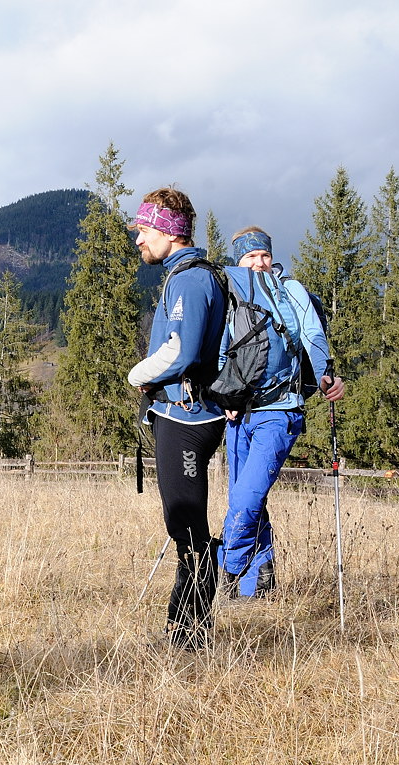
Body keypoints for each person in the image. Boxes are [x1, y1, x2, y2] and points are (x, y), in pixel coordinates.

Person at [125, 187, 227, 650]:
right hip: (183, 412)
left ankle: (191, 634)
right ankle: (183, 626)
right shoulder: (185, 275)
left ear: (168, 231)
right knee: (185, 526)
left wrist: (138, 374)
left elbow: (181, 351)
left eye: (144, 231)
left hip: (187, 417)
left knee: (187, 526)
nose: (139, 241)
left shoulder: (189, 279)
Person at [220, 226, 344, 600]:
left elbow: (313, 335)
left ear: (272, 258)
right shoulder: (231, 293)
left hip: (280, 411)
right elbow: (222, 348)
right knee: (243, 497)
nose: (259, 263)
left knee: (246, 500)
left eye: (264, 256)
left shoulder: (291, 291)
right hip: (238, 414)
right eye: (251, 258)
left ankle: (224, 573)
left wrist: (324, 374)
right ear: (239, 262)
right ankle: (259, 583)